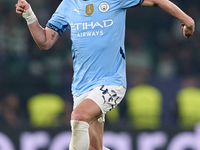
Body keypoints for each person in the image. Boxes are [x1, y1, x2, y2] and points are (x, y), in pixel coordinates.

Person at [15, 0, 195, 149]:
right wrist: (29, 15)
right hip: (81, 86)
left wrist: (187, 20)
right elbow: (45, 42)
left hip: (111, 82)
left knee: (78, 117)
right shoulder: (68, 5)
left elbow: (156, 0)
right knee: (95, 148)